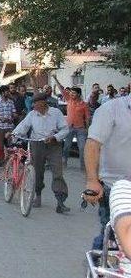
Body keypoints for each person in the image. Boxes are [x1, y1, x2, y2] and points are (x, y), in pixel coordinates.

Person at [83, 90, 131, 249]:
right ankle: (98, 269)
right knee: (112, 238)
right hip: (115, 188)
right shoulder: (111, 109)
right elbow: (92, 144)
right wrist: (92, 181)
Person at [11, 92, 71, 213]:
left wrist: (55, 137)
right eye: (33, 103)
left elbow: (65, 129)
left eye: (36, 103)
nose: (34, 106)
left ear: (44, 102)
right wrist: (13, 134)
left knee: (58, 174)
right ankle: (37, 196)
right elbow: (23, 127)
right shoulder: (32, 114)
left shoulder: (56, 113)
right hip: (37, 144)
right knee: (37, 173)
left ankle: (60, 202)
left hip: (54, 145)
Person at [52, 75, 90, 169]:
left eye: (73, 93)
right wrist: (56, 79)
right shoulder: (69, 100)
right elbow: (61, 89)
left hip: (81, 129)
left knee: (82, 148)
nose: (71, 94)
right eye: (71, 93)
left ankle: (83, 166)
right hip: (69, 127)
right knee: (66, 147)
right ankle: (64, 161)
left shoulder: (84, 105)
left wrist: (88, 129)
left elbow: (87, 118)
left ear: (78, 94)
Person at [0, 86, 17, 159]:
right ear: (2, 93)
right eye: (7, 92)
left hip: (10, 126)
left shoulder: (11, 102)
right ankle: (0, 160)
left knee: (11, 145)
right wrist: (0, 118)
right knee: (0, 145)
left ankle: (10, 161)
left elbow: (14, 113)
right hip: (0, 127)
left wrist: (12, 117)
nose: (8, 93)